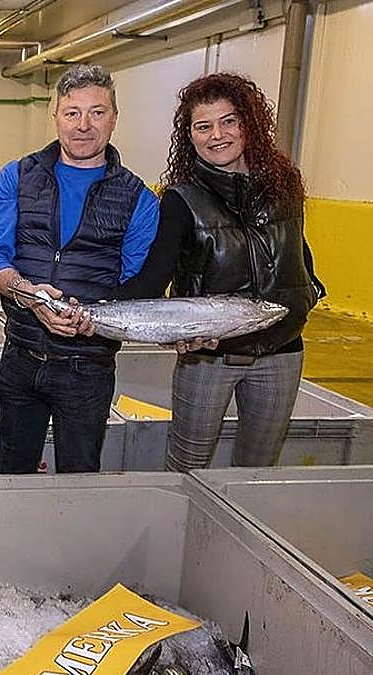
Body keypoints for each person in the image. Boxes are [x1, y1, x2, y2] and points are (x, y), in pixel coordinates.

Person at [118, 73, 324, 470]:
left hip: (282, 352)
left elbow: (298, 255)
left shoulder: (285, 189)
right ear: (189, 136)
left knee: (257, 470)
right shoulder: (181, 201)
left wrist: (309, 294)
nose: (217, 135)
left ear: (249, 123)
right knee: (187, 467)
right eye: (203, 126)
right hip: (208, 358)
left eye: (228, 121)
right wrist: (94, 309)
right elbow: (151, 282)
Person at [0, 64, 159, 474]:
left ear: (114, 118)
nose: (83, 125)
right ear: (56, 116)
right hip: (20, 358)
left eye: (97, 112)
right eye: (72, 112)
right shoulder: (18, 176)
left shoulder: (138, 198)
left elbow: (134, 286)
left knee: (79, 479)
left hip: (88, 369)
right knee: (13, 474)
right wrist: (28, 293)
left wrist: (94, 320)